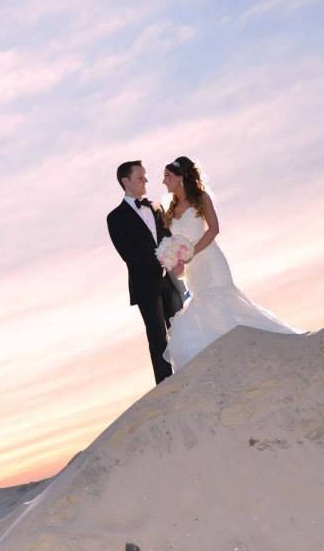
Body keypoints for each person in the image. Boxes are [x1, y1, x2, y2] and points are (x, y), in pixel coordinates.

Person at [161, 156, 299, 370]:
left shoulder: (201, 198)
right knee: (205, 309)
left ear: (180, 178)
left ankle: (259, 347)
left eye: (168, 176)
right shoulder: (169, 209)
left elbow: (214, 229)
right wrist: (177, 260)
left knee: (223, 302)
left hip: (210, 260)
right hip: (193, 271)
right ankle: (228, 362)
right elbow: (174, 242)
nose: (164, 181)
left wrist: (192, 252)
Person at [107, 160, 184, 384]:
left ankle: (188, 370)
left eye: (145, 177)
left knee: (181, 327)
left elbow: (167, 238)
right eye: (140, 178)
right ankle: (166, 384)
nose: (146, 182)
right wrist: (161, 261)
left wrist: (175, 259)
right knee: (158, 337)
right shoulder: (115, 218)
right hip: (145, 284)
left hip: (170, 280)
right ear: (126, 181)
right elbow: (129, 254)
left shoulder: (155, 207)